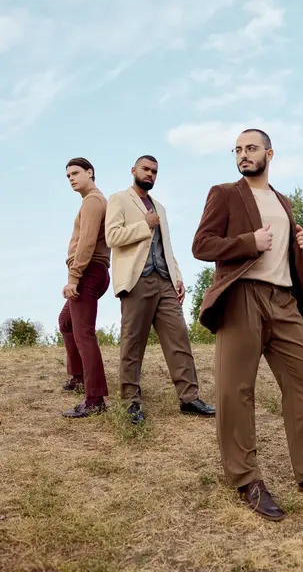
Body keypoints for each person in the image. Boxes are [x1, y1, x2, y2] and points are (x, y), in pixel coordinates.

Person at [192, 129, 303, 521]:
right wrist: (247, 242)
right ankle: (246, 479)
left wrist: (300, 244)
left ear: (270, 153)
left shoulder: (282, 201)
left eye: (251, 148)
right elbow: (202, 244)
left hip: (284, 300)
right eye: (237, 150)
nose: (243, 155)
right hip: (242, 297)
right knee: (236, 389)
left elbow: (280, 250)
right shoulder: (225, 193)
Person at [105, 155, 215, 424]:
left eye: (154, 171)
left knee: (179, 339)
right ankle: (131, 402)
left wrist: (177, 277)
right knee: (133, 343)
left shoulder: (160, 208)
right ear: (133, 170)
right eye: (145, 169)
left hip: (164, 280)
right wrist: (145, 225)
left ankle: (189, 398)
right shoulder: (119, 199)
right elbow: (112, 237)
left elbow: (167, 246)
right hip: (136, 281)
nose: (150, 174)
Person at [59, 157, 111, 418]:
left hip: (89, 271)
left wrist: (74, 277)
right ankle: (78, 376)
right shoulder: (92, 200)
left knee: (84, 334)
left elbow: (87, 243)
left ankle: (94, 399)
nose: (71, 178)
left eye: (75, 173)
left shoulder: (92, 201)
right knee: (66, 322)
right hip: (94, 271)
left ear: (90, 172)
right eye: (68, 175)